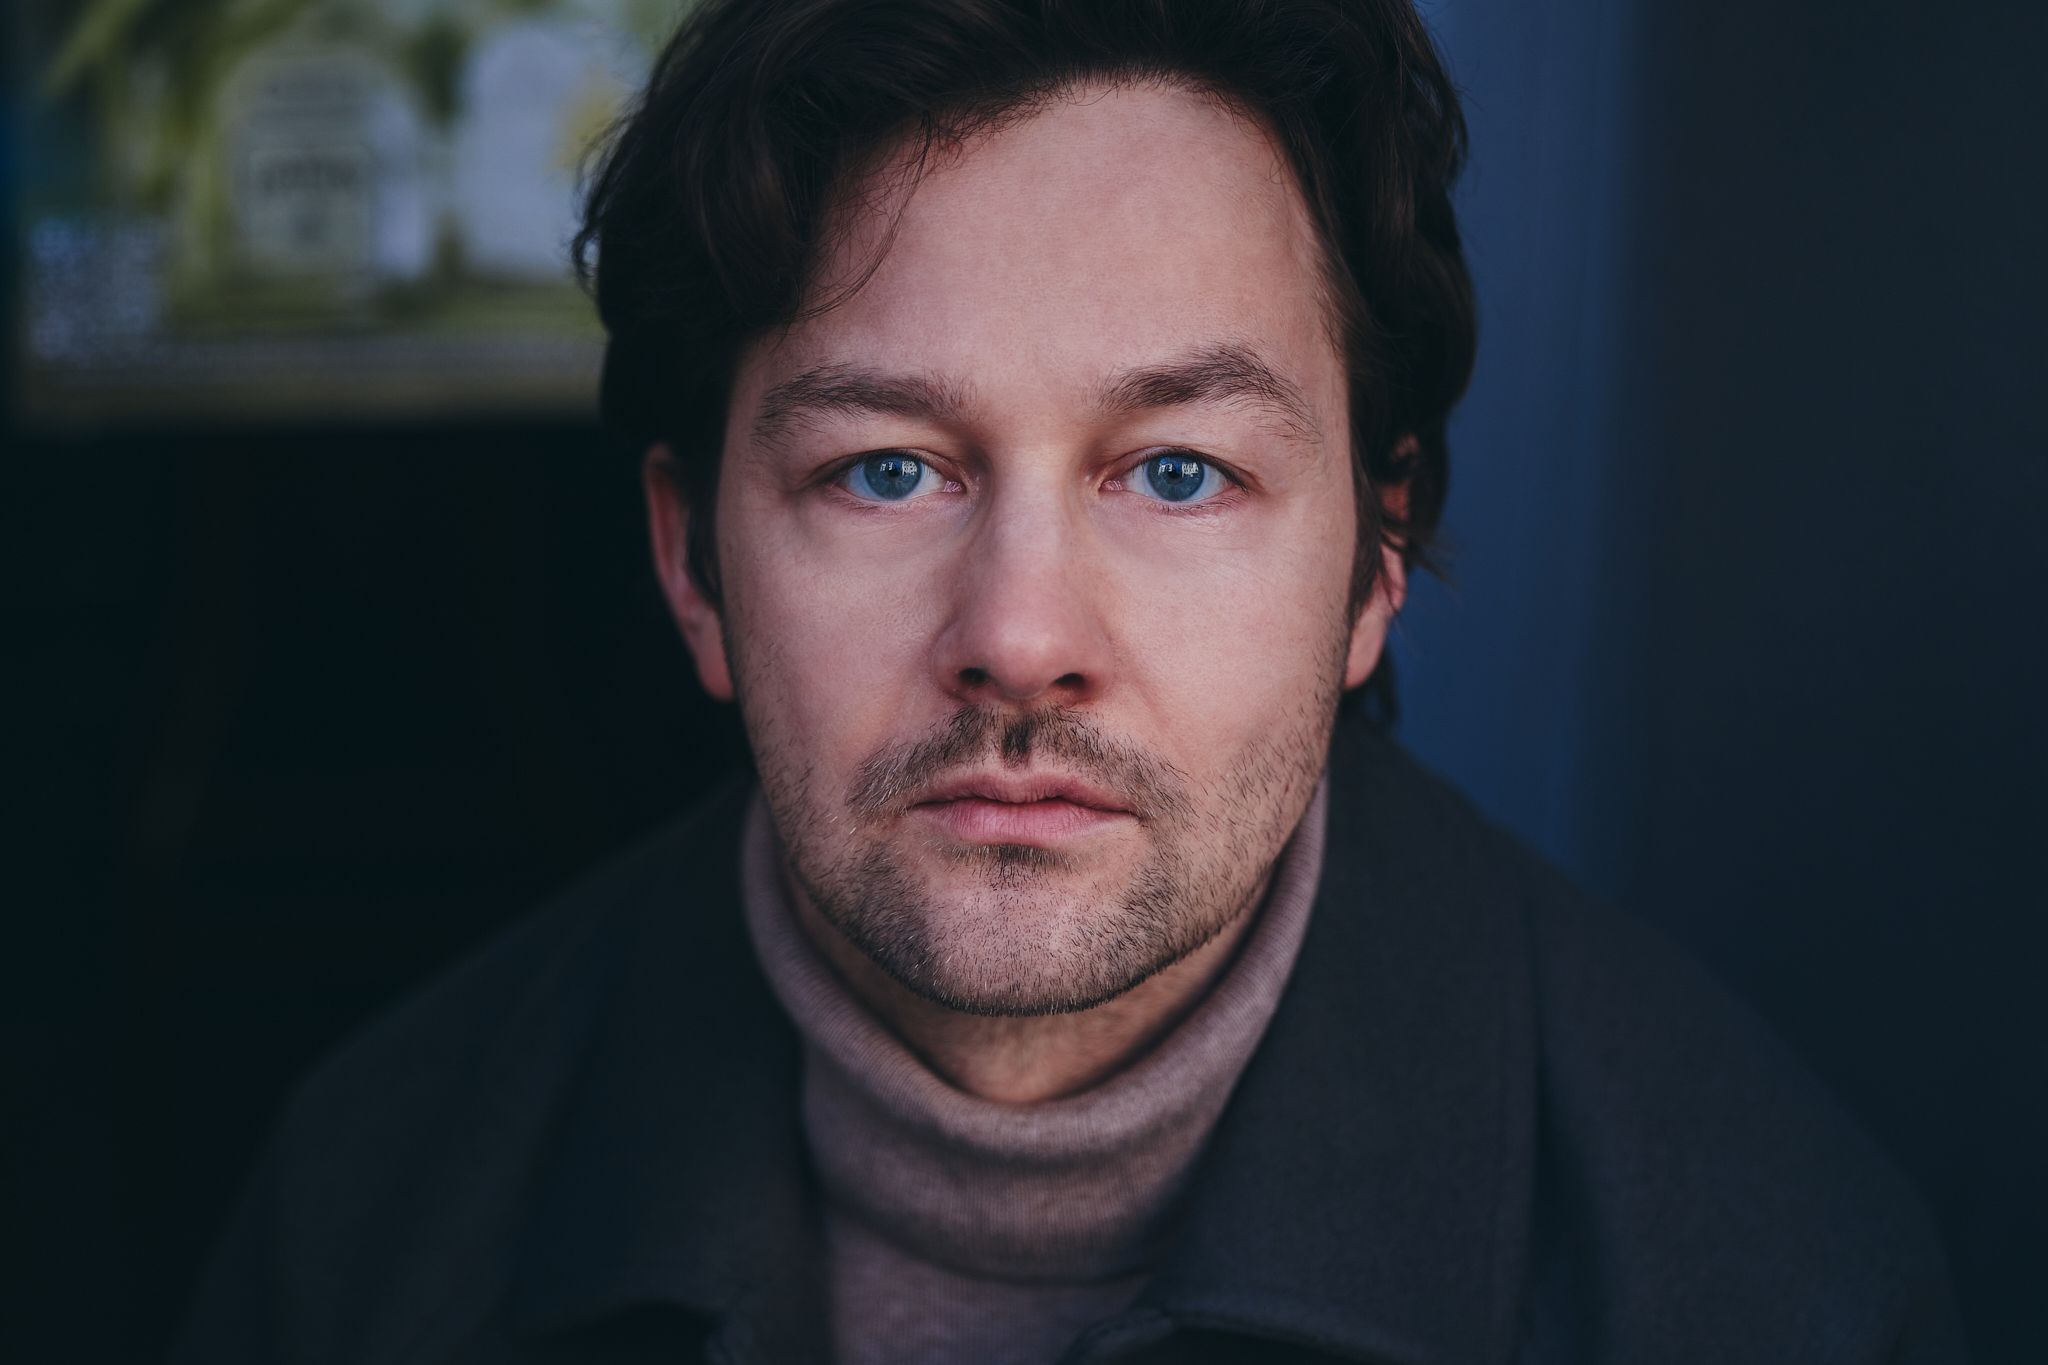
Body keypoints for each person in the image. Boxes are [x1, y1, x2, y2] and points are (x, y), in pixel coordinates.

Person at [173, 1, 1967, 1362]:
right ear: (691, 565)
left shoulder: (1764, 1287)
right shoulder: (374, 1216)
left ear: (1378, 559)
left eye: (1177, 471)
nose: (1022, 633)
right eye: (886, 469)